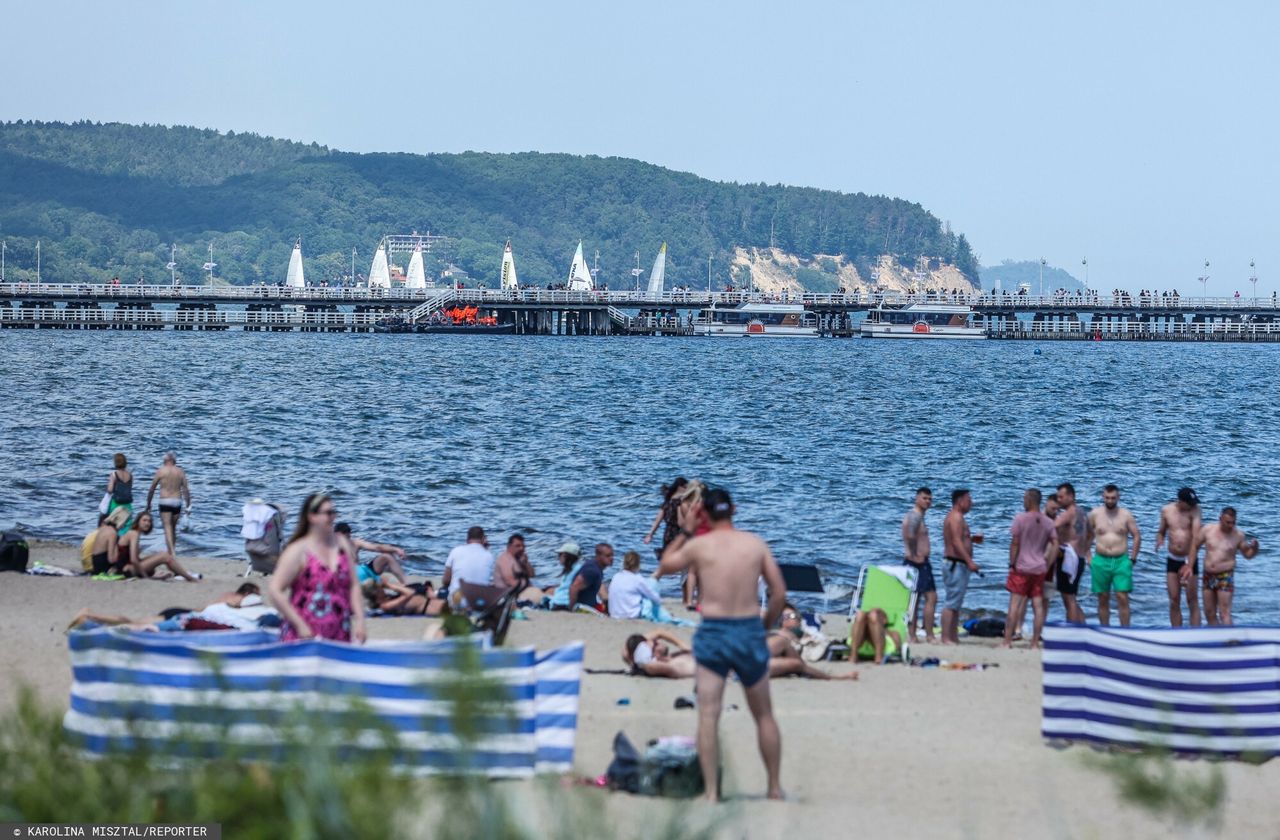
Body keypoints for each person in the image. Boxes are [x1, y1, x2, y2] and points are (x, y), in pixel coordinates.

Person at [657, 486, 787, 803]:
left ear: (705, 514)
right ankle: (773, 788)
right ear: (734, 510)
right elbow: (779, 594)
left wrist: (686, 530)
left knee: (708, 715)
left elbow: (664, 566)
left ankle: (712, 793)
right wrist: (765, 626)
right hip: (747, 630)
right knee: (764, 715)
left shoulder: (700, 546)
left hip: (714, 631)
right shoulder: (754, 545)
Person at [267, 493, 365, 643]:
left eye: (334, 512)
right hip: (304, 635)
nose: (332, 517)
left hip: (339, 632)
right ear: (312, 516)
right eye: (328, 513)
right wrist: (299, 624)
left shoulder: (342, 544)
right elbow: (275, 590)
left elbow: (353, 585)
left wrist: (360, 620)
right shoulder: (298, 550)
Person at [1002, 489, 1057, 649]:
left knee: (1014, 604)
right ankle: (1034, 643)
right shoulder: (1047, 522)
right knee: (1038, 605)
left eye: (1025, 498)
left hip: (1022, 567)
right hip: (1039, 568)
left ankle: (1007, 642)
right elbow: (1055, 543)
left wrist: (1012, 563)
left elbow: (1015, 543)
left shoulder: (1021, 519)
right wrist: (1048, 563)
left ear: (1030, 500)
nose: (1023, 501)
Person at [1192, 507, 1260, 626]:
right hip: (1208, 575)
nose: (1231, 525)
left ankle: (1229, 639)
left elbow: (1248, 555)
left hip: (1225, 576)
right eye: (1228, 522)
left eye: (1233, 522)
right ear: (1220, 519)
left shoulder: (1238, 535)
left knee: (1224, 612)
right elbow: (1194, 546)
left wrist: (1255, 548)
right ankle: (1217, 638)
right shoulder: (1208, 530)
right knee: (1209, 612)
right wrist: (1189, 566)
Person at [1087, 484, 1142, 627]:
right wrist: (1089, 558)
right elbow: (1085, 536)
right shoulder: (1095, 514)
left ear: (1118, 497)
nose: (1110, 501)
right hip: (1100, 560)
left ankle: (1125, 631)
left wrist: (1133, 558)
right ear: (1103, 497)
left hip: (1121, 560)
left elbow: (1136, 535)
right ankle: (1105, 630)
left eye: (1113, 498)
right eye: (1107, 498)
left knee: (1122, 596)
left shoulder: (1125, 515)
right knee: (1102, 597)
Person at [1155, 487, 1203, 627]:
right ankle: (1176, 633)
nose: (1193, 505)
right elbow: (1161, 531)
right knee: (1174, 599)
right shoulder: (1167, 510)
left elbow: (1196, 539)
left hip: (1190, 559)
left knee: (1191, 599)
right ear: (1181, 502)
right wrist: (1160, 539)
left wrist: (1189, 564)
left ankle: (1196, 634)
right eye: (1190, 503)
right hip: (1173, 559)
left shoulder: (1196, 511)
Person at [940, 489, 979, 645]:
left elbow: (959, 538)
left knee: (956, 603)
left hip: (958, 564)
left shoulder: (957, 517)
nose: (971, 503)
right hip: (955, 564)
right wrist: (969, 561)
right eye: (969, 500)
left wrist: (970, 538)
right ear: (960, 501)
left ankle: (952, 636)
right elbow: (956, 542)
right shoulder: (955, 517)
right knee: (951, 603)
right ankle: (945, 637)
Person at [117, 511, 202, 581]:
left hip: (127, 568)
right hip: (127, 570)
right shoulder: (133, 534)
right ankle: (189, 577)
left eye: (149, 521)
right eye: (144, 520)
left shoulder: (134, 533)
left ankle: (180, 574)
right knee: (164, 556)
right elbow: (134, 560)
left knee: (162, 554)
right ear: (138, 521)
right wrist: (146, 577)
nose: (147, 523)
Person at [902, 487, 937, 643]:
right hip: (918, 562)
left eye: (930, 499)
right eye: (924, 498)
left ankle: (914, 635)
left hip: (916, 562)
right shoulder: (915, 516)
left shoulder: (917, 516)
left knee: (914, 601)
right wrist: (916, 556)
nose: (928, 501)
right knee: (931, 598)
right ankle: (928, 635)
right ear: (917, 498)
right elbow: (909, 535)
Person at [1053, 482, 1090, 623]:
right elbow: (1090, 533)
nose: (1059, 500)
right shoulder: (1081, 512)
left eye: (1061, 497)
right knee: (1072, 597)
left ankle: (1072, 630)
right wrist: (1087, 552)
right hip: (1079, 558)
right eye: (1058, 497)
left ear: (1071, 496)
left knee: (1068, 598)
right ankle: (1082, 627)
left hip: (1069, 558)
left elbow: (1051, 527)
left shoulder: (1068, 514)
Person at [144, 451, 191, 557]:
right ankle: (172, 551)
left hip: (165, 501)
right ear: (174, 461)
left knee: (167, 527)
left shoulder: (161, 471)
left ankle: (172, 552)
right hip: (177, 501)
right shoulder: (180, 472)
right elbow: (186, 490)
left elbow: (152, 489)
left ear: (166, 460)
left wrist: (148, 504)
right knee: (173, 528)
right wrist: (188, 504)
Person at [333, 522, 409, 585]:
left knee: (387, 556)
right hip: (351, 577)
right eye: (345, 535)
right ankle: (402, 582)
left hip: (362, 572)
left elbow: (377, 547)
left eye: (348, 535)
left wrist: (395, 549)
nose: (348, 537)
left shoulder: (356, 543)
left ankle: (406, 583)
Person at [441, 526, 495, 608]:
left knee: (442, 591)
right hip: (479, 603)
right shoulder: (489, 555)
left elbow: (446, 580)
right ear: (483, 539)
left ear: (467, 538)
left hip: (457, 602)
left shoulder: (456, 551)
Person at [607, 550, 662, 619]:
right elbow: (655, 598)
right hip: (631, 615)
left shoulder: (616, 576)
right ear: (638, 565)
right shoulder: (637, 579)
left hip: (614, 614)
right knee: (651, 584)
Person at [568, 542, 613, 610]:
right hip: (583, 608)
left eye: (612, 555)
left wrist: (606, 599)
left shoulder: (596, 567)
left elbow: (598, 585)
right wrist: (571, 610)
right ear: (599, 556)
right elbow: (574, 588)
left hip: (592, 605)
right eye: (608, 556)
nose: (612, 558)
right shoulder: (592, 570)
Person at [89, 507, 130, 575]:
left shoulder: (103, 528)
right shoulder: (112, 533)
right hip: (103, 568)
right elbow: (111, 559)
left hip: (96, 565)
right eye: (125, 522)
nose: (125, 524)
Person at [105, 453, 133, 518]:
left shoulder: (114, 474)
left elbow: (110, 490)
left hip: (116, 504)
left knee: (114, 525)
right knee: (127, 524)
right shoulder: (130, 475)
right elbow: (129, 489)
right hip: (127, 504)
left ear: (115, 463)